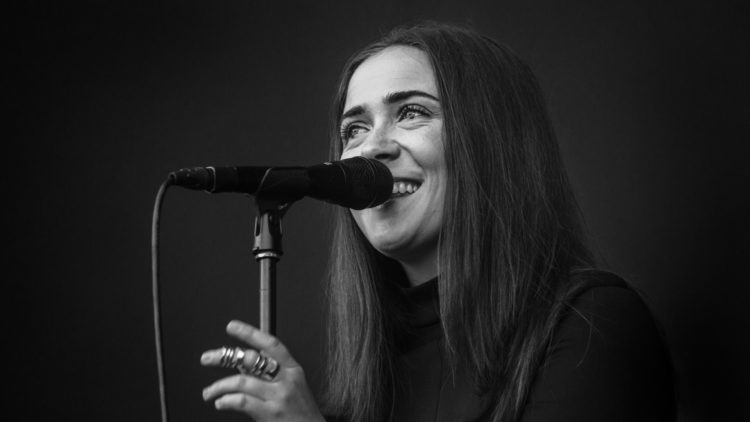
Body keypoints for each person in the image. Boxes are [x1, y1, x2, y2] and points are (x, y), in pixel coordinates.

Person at [199, 21, 676, 422]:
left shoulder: (593, 325)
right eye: (354, 129)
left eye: (411, 112)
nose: (371, 148)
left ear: (492, 145)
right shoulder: (367, 376)